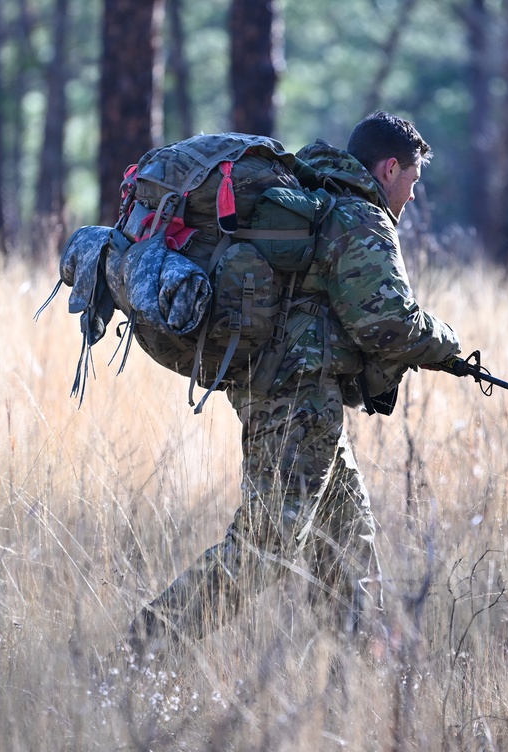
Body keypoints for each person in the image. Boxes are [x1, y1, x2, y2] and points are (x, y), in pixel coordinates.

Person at [123, 111, 461, 660]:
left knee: (347, 539)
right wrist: (445, 343)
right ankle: (142, 648)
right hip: (296, 397)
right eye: (413, 183)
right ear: (390, 167)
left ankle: (355, 681)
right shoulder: (359, 217)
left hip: (291, 390)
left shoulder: (315, 192)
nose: (413, 197)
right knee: (267, 548)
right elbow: (386, 321)